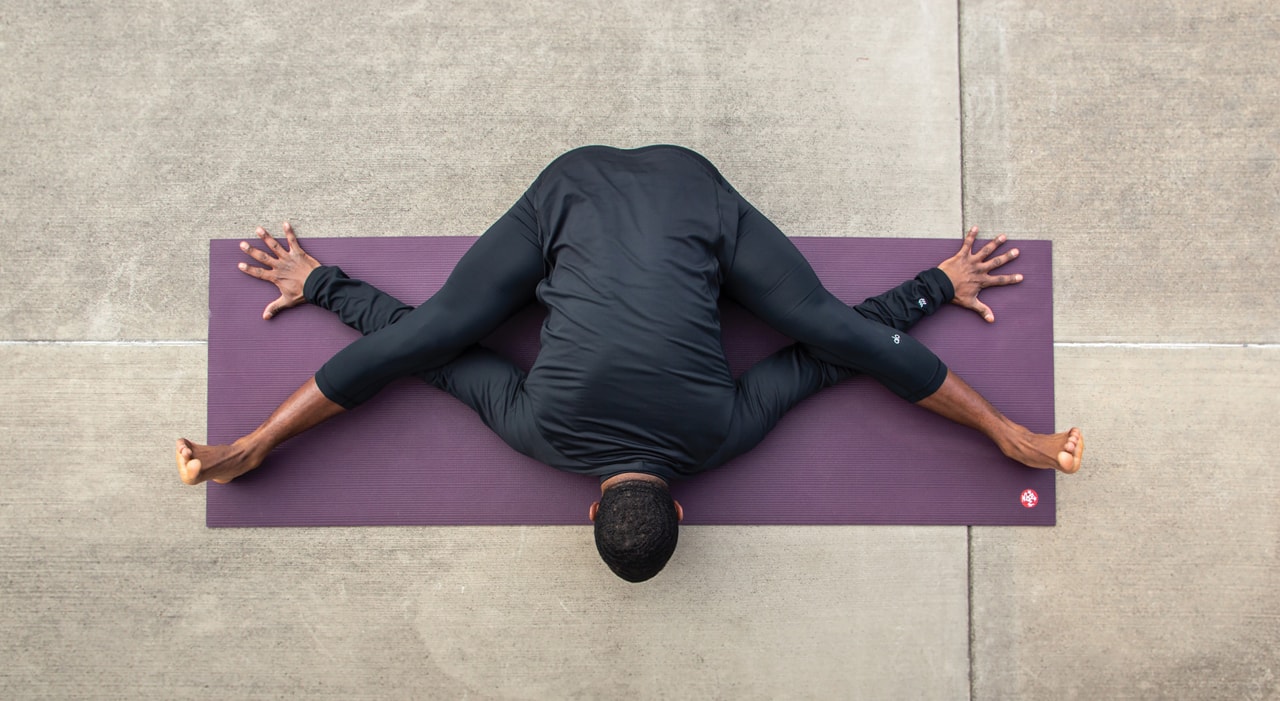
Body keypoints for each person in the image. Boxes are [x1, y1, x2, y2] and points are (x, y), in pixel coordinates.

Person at [176, 145, 1083, 582]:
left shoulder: (719, 438)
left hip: (696, 188)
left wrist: (940, 288)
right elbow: (424, 354)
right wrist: (321, 283)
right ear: (593, 507)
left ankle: (1014, 433)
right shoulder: (543, 435)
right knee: (433, 335)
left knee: (828, 326)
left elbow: (834, 354)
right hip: (566, 191)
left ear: (682, 505)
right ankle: (247, 447)